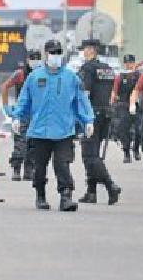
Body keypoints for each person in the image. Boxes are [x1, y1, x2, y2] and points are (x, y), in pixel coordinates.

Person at [11, 39, 94, 212]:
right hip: (39, 132)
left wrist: (88, 121)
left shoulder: (71, 78)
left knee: (62, 164)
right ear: (45, 55)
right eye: (52, 53)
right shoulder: (35, 77)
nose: (55, 56)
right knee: (39, 166)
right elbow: (24, 100)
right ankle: (40, 195)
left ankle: (66, 196)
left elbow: (80, 102)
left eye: (58, 52)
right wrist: (17, 117)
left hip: (63, 131)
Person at [76, 39, 121, 205]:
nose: (84, 52)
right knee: (94, 154)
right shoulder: (107, 69)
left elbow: (83, 93)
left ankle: (111, 185)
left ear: (92, 50)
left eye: (86, 49)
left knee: (89, 155)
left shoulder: (87, 68)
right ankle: (91, 192)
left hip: (92, 115)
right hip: (106, 115)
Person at [1, 49, 42, 181]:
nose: (34, 61)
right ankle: (16, 169)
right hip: (22, 113)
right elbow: (5, 86)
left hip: (37, 114)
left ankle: (29, 171)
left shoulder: (43, 74)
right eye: (32, 58)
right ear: (27, 60)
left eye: (37, 58)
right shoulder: (20, 74)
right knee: (20, 142)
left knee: (35, 143)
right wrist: (6, 106)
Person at [111, 54, 141, 163]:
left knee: (139, 129)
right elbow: (114, 91)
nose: (129, 65)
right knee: (123, 130)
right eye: (127, 63)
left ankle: (136, 148)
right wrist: (113, 100)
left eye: (131, 62)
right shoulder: (120, 76)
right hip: (123, 105)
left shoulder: (139, 75)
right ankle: (126, 152)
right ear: (124, 64)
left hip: (137, 106)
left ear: (134, 63)